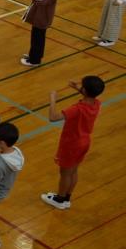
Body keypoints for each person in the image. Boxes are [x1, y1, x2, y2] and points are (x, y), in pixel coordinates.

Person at [41, 77, 104, 211]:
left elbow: (53, 117)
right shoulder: (97, 103)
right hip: (84, 142)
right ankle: (66, 199)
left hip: (72, 144)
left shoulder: (77, 109)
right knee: (73, 171)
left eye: (82, 86)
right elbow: (89, 96)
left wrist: (52, 99)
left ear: (85, 90)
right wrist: (77, 88)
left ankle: (59, 200)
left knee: (65, 173)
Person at [22, 0, 65, 67]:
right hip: (39, 14)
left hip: (43, 16)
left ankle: (35, 60)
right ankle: (34, 55)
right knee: (36, 37)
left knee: (38, 39)